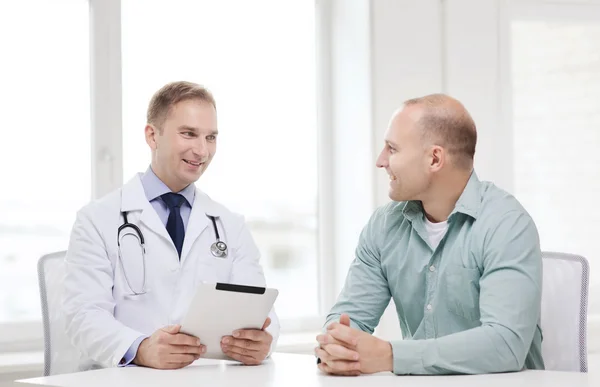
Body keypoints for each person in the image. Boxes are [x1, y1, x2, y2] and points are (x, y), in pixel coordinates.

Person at [315, 94, 544, 376]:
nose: (380, 160)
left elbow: (506, 345)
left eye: (392, 149)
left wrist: (391, 356)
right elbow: (347, 321)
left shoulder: (506, 224)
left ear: (434, 158)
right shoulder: (384, 226)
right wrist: (336, 346)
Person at [63, 81, 278, 370]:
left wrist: (262, 342)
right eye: (189, 134)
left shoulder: (229, 225)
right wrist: (140, 348)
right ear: (152, 136)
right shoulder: (97, 219)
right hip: (124, 378)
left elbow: (261, 310)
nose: (202, 150)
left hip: (204, 378)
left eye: (211, 137)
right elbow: (83, 316)